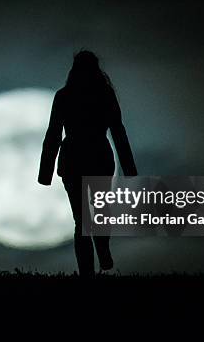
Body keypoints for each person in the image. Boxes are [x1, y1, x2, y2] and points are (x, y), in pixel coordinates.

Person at [38, 50, 138, 277]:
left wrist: (45, 173)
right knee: (93, 215)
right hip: (95, 156)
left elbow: (54, 134)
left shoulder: (66, 96)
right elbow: (117, 131)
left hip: (77, 158)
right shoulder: (103, 95)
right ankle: (94, 261)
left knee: (83, 219)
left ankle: (94, 262)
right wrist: (129, 169)